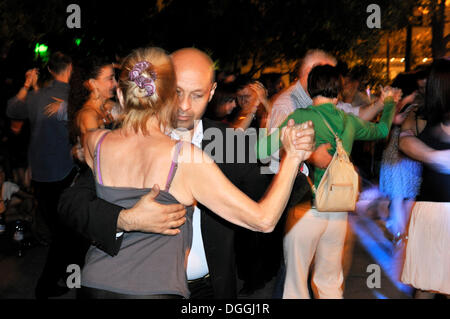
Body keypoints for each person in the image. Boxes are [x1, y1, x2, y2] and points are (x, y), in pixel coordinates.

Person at [62, 47, 314, 299]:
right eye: (177, 92)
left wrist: (293, 159)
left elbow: (274, 198)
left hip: (207, 288)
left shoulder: (230, 144)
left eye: (196, 95)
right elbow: (71, 203)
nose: (184, 106)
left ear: (212, 92)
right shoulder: (125, 137)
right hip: (145, 286)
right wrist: (125, 219)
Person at [257, 64, 400, 299]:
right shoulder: (348, 121)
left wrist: (266, 119)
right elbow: (383, 130)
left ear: (312, 88)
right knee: (330, 283)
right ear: (338, 89)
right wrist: (389, 102)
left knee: (295, 284)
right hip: (338, 210)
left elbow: (261, 150)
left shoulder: (300, 117)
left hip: (305, 209)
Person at [6, 52, 80, 298]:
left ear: (49, 70)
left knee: (62, 229)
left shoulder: (37, 96)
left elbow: (13, 109)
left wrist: (27, 85)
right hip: (64, 172)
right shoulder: (72, 96)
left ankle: (67, 276)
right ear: (69, 68)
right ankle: (46, 285)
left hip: (40, 173)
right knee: (66, 231)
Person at [399, 58, 450, 298]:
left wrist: (431, 155)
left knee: (425, 284)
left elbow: (405, 139)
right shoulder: (419, 114)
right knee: (426, 284)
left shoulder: (420, 115)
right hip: (431, 210)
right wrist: (434, 156)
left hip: (430, 208)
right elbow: (404, 141)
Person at [379, 72, 423, 245]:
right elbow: (394, 120)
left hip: (401, 155)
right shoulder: (404, 104)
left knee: (403, 197)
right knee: (404, 197)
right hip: (399, 155)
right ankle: (402, 235)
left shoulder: (403, 103)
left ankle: (402, 235)